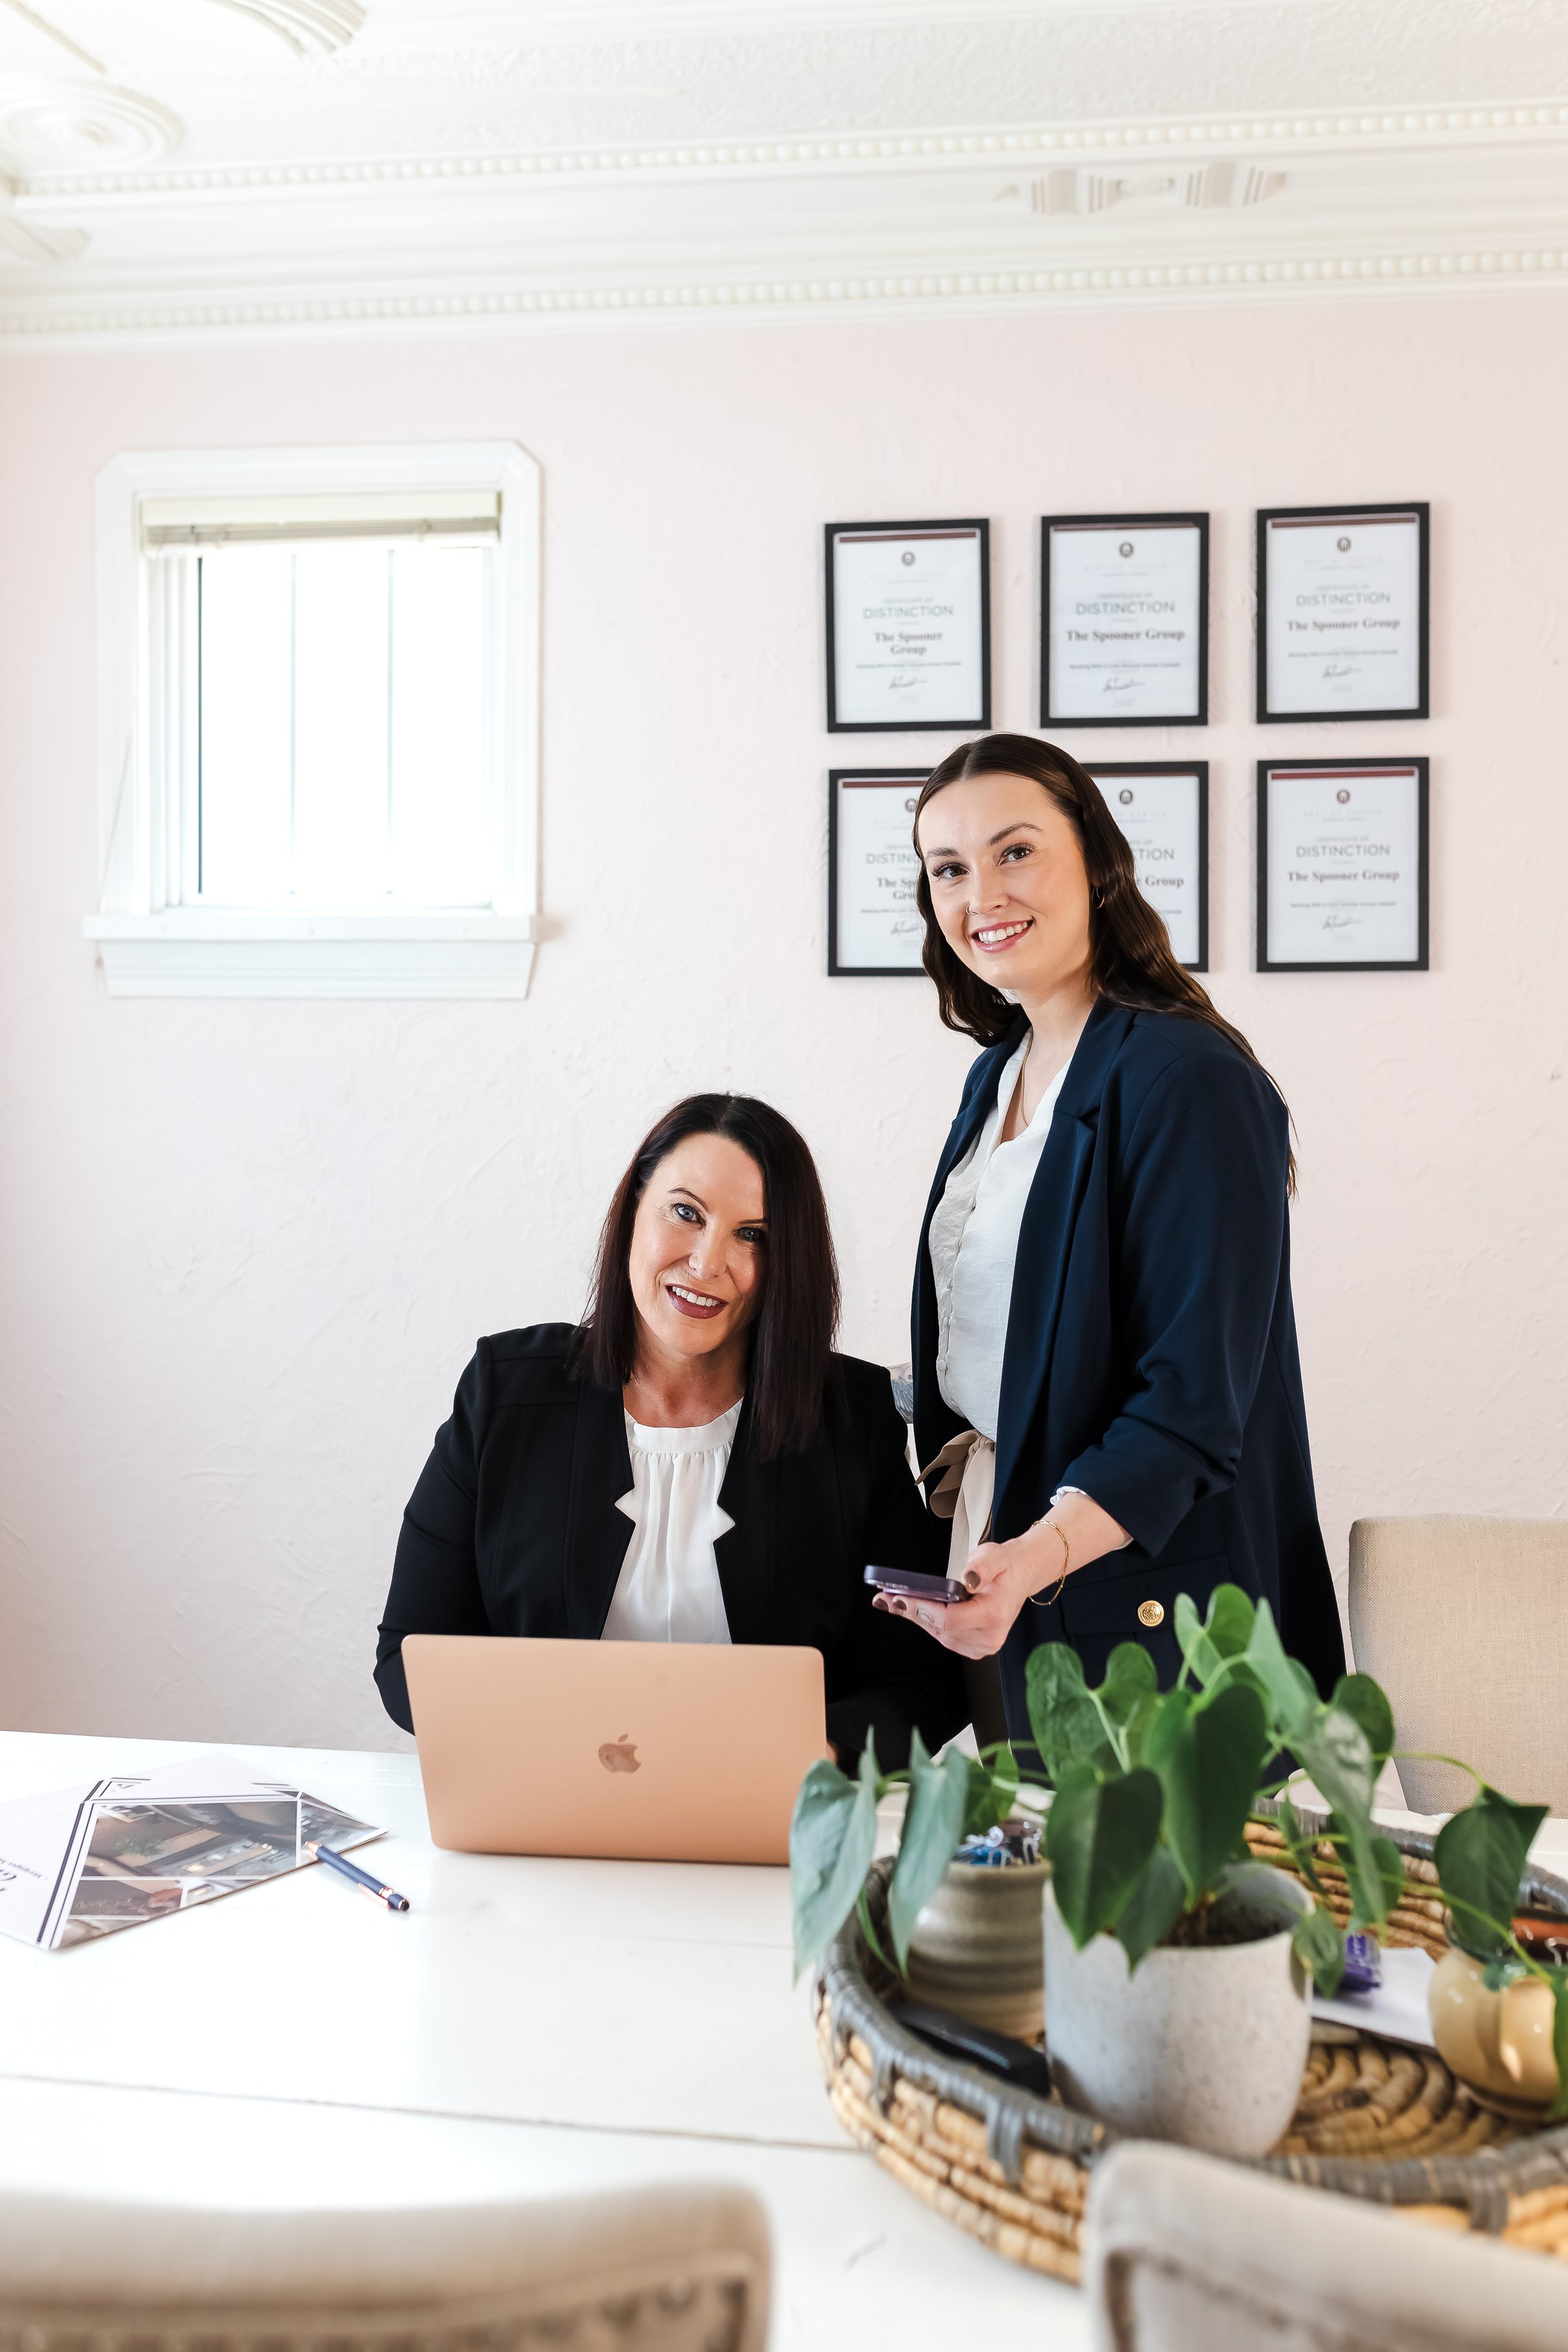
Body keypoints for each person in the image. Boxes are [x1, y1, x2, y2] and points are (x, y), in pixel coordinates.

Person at [874, 732, 1345, 1743]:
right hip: (1013, 1577)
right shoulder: (996, 1073)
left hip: (1151, 1614)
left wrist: (1034, 1555)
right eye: (948, 868)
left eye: (1015, 852)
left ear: (1095, 859)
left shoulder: (1188, 1079)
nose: (981, 894)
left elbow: (1190, 1403)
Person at [376, 1092, 964, 1768]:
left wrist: (820, 1752)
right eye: (686, 1213)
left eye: (754, 1235)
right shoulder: (504, 1392)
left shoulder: (853, 1417)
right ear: (633, 1211)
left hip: (766, 1823)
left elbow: (924, 1680)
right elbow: (409, 1656)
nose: (709, 1262)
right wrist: (543, 1742)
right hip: (545, 1813)